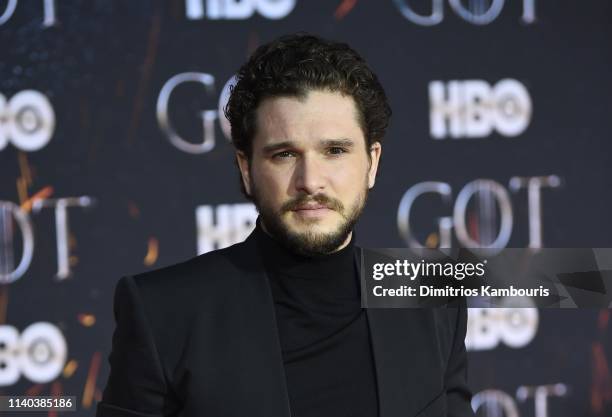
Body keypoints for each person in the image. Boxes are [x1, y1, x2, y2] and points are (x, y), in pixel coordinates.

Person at [96, 33, 475, 417]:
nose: (310, 180)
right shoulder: (164, 312)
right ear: (246, 169)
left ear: (371, 162)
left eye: (335, 151)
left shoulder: (432, 302)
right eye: (284, 154)